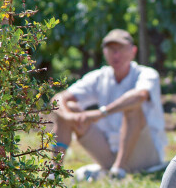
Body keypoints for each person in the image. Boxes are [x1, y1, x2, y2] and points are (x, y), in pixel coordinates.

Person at [50, 29, 166, 179]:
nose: (116, 55)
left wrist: (102, 112)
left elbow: (139, 96)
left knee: (132, 108)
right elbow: (58, 98)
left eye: (121, 49)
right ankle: (55, 170)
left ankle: (118, 170)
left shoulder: (147, 74)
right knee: (68, 108)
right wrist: (68, 117)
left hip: (144, 156)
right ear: (105, 52)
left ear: (133, 51)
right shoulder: (99, 76)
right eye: (111, 50)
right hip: (108, 154)